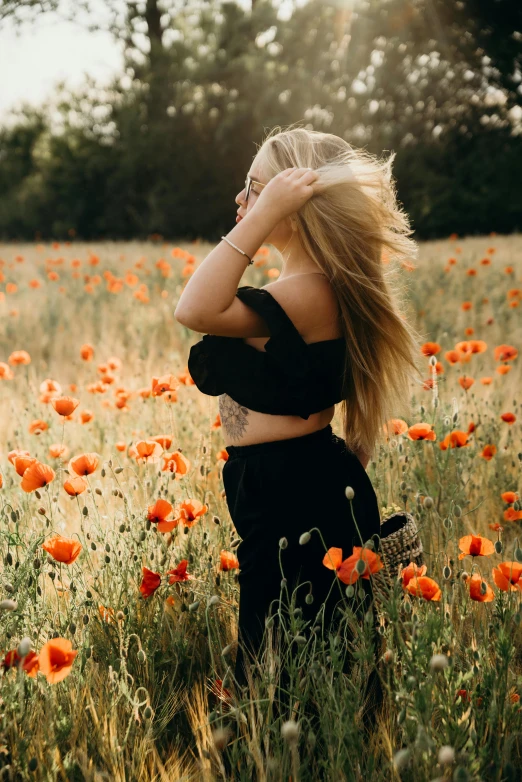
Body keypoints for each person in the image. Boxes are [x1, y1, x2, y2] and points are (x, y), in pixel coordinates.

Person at [174, 124, 425, 722]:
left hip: (290, 490)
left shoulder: (307, 293)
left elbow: (193, 308)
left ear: (296, 206)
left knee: (279, 645)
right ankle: (315, 741)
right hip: (291, 482)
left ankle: (291, 750)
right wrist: (267, 207)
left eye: (256, 188)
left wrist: (257, 223)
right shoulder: (315, 287)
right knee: (304, 633)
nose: (242, 200)